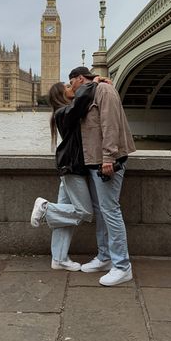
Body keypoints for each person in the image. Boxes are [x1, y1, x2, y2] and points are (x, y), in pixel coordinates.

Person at [67, 66, 136, 286]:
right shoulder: (89, 92)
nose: (71, 88)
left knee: (110, 210)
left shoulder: (104, 91)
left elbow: (110, 125)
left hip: (107, 162)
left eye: (72, 83)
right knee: (101, 210)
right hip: (93, 161)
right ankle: (105, 257)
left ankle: (123, 266)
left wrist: (108, 157)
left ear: (80, 78)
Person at [30, 80, 97, 271]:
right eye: (67, 87)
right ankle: (45, 208)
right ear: (61, 95)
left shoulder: (63, 113)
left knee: (64, 215)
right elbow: (81, 101)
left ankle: (59, 258)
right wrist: (92, 83)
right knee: (84, 213)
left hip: (68, 167)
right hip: (71, 168)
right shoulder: (63, 113)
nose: (72, 88)